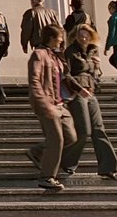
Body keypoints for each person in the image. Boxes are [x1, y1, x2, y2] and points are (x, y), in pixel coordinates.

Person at [25, 24, 84, 191]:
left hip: (60, 104)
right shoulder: (39, 55)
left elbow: (65, 76)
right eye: (59, 38)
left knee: (71, 137)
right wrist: (44, 104)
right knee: (56, 140)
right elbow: (34, 81)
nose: (61, 41)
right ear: (51, 38)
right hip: (47, 104)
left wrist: (80, 89)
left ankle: (37, 152)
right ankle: (47, 177)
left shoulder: (55, 56)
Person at [60, 24, 117, 182]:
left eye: (86, 35)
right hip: (77, 93)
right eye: (81, 35)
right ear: (75, 36)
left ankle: (108, 167)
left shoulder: (92, 52)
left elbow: (93, 75)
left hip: (91, 92)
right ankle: (67, 162)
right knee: (84, 131)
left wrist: (97, 66)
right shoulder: (70, 52)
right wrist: (79, 89)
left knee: (98, 128)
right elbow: (66, 75)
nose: (83, 38)